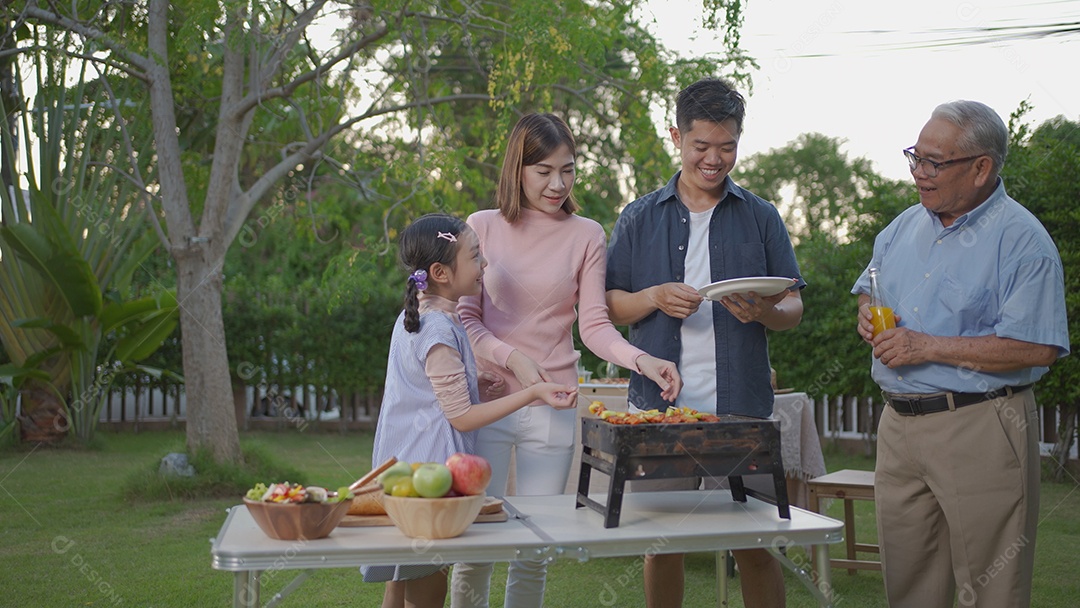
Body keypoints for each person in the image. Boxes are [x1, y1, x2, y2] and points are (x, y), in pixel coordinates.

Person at [451, 113, 683, 608]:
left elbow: (595, 326)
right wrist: (514, 361)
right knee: (474, 541)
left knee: (534, 545)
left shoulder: (587, 234)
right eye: (544, 171)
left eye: (568, 170)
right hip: (488, 404)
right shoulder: (481, 227)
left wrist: (644, 361)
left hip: (552, 406)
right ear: (518, 168)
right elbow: (466, 321)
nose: (558, 183)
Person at [851, 101, 1068, 608]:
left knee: (991, 587)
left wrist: (926, 345)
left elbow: (1037, 346)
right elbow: (870, 288)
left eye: (934, 163)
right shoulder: (902, 227)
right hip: (898, 426)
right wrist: (866, 311)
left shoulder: (1023, 242)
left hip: (981, 425)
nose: (918, 174)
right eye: (915, 158)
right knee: (908, 586)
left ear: (981, 167)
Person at [605, 78, 805, 608]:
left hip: (741, 411)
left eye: (727, 146)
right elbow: (608, 307)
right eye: (702, 147)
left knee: (756, 547)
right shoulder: (638, 216)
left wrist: (764, 309)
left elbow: (793, 307)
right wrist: (651, 296)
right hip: (659, 412)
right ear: (677, 136)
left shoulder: (761, 216)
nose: (715, 159)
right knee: (661, 546)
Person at [364, 213, 578, 608]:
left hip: (402, 470)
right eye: (476, 256)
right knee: (427, 588)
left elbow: (424, 387)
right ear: (442, 272)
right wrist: (533, 393)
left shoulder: (420, 318)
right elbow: (460, 417)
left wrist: (472, 383)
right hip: (429, 478)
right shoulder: (440, 330)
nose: (485, 266)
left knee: (398, 581)